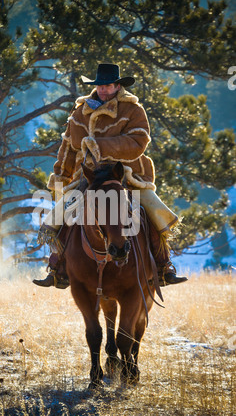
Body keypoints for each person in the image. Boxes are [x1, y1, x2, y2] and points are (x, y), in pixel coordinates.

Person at [33, 63, 187, 288]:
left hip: (127, 174)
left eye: (108, 86)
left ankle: (163, 267)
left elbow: (138, 142)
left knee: (154, 211)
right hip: (88, 176)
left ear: (117, 86)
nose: (103, 90)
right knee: (59, 215)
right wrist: (61, 176)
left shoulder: (133, 110)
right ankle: (56, 268)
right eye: (100, 86)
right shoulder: (80, 111)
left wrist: (98, 146)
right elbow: (68, 146)